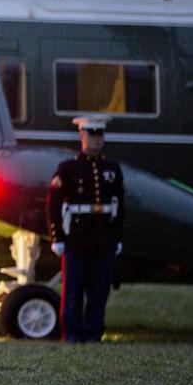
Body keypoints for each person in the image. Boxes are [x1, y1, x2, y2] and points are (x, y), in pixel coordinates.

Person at [46, 115, 125, 343]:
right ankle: (72, 334)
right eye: (92, 135)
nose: (96, 140)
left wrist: (117, 237)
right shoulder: (68, 168)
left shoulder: (112, 169)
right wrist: (57, 236)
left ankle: (93, 332)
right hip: (77, 237)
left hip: (104, 237)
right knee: (74, 288)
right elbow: (54, 204)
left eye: (99, 135)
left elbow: (119, 206)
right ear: (82, 135)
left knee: (99, 288)